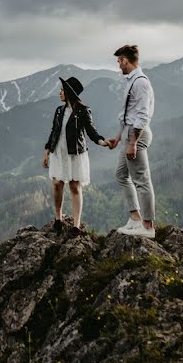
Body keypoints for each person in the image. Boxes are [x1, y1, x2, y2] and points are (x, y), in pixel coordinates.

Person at [42, 76, 111, 232]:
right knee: (57, 184)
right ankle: (58, 218)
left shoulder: (83, 110)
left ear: (68, 92)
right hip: (58, 153)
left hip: (75, 154)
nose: (60, 92)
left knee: (74, 187)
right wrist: (47, 152)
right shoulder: (59, 111)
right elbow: (54, 132)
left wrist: (102, 142)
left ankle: (76, 225)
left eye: (62, 90)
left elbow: (91, 131)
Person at [105, 44, 157, 239]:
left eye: (119, 61)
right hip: (128, 133)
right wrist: (119, 137)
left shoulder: (141, 83)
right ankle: (135, 218)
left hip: (137, 135)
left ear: (126, 60)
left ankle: (148, 225)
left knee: (142, 180)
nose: (119, 65)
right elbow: (127, 115)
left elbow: (143, 116)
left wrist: (133, 142)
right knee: (121, 175)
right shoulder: (132, 81)